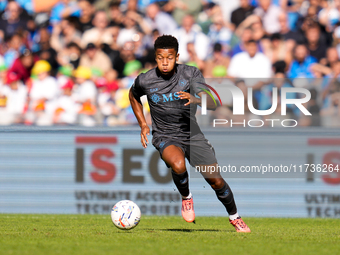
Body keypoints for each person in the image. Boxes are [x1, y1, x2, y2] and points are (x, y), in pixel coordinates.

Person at [128, 35, 251, 232]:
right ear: (155, 57)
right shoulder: (145, 79)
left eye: (169, 57)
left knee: (215, 180)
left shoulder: (190, 74)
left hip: (192, 135)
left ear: (177, 56)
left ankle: (235, 217)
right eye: (160, 58)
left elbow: (213, 102)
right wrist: (143, 124)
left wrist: (196, 100)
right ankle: (186, 197)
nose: (165, 62)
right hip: (165, 135)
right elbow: (133, 95)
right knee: (178, 164)